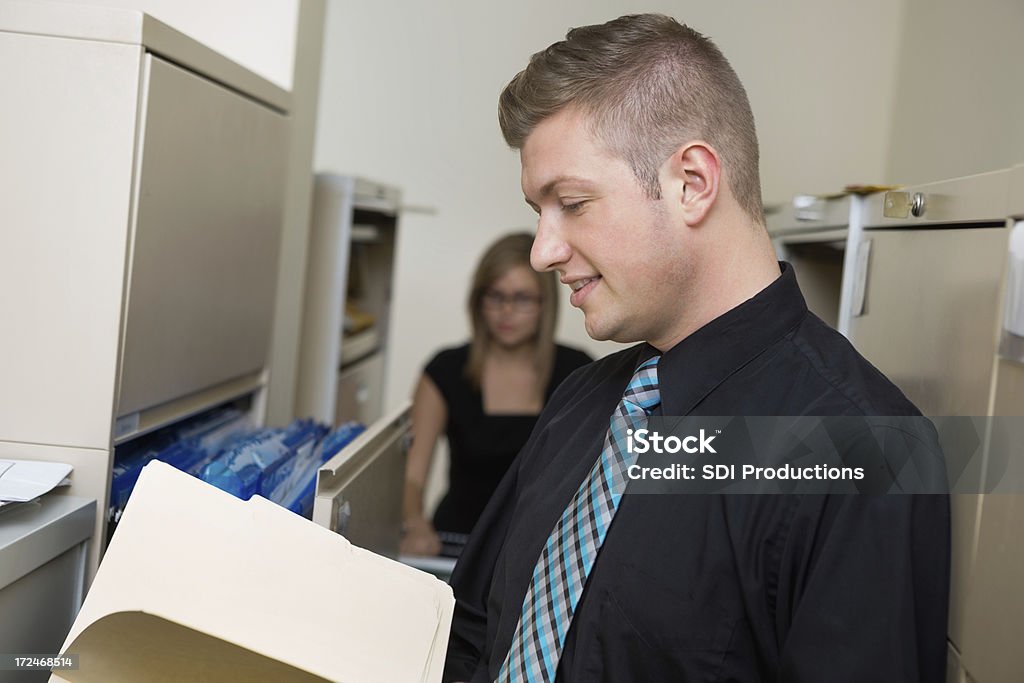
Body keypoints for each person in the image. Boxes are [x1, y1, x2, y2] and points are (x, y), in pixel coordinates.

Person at [443, 14, 950, 683]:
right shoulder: (583, 400)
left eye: (571, 202)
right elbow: (475, 625)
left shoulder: (861, 453)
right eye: (539, 212)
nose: (543, 250)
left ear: (691, 182)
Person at [400, 232, 592, 558]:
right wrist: (415, 524)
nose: (506, 311)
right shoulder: (445, 369)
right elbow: (411, 478)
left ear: (545, 303)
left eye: (522, 299)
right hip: (456, 546)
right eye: (495, 296)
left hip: (540, 552)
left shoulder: (579, 372)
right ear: (478, 301)